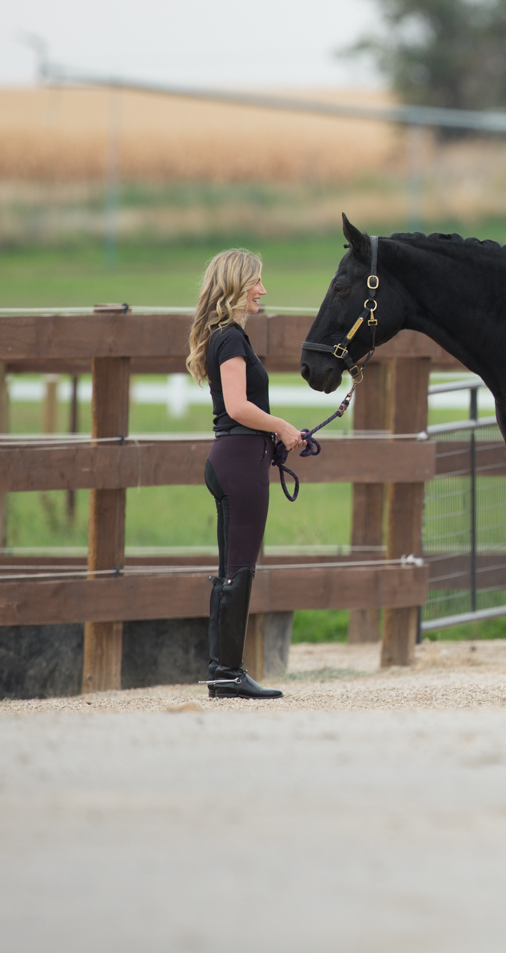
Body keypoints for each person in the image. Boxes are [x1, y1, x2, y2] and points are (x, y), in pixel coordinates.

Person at [186, 249, 307, 700]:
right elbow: (237, 407)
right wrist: (282, 426)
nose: (262, 290)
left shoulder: (225, 336)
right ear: (237, 285)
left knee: (231, 568)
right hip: (239, 460)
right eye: (256, 281)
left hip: (236, 457)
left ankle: (225, 671)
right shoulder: (231, 338)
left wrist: (273, 436)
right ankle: (227, 672)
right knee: (238, 567)